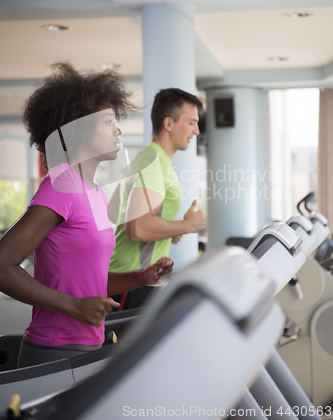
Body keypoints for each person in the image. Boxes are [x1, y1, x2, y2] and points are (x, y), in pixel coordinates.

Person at [0, 62, 173, 368]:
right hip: (54, 350)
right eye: (108, 122)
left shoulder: (93, 192)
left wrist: (140, 277)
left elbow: (87, 281)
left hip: (89, 346)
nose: (118, 129)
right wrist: (73, 305)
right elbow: (2, 264)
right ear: (76, 129)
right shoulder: (60, 185)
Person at [109, 88, 205, 310]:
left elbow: (126, 218)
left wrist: (172, 231)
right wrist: (187, 225)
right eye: (191, 122)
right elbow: (138, 228)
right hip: (131, 280)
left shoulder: (156, 161)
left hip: (144, 279)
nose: (197, 131)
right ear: (169, 124)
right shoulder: (152, 163)